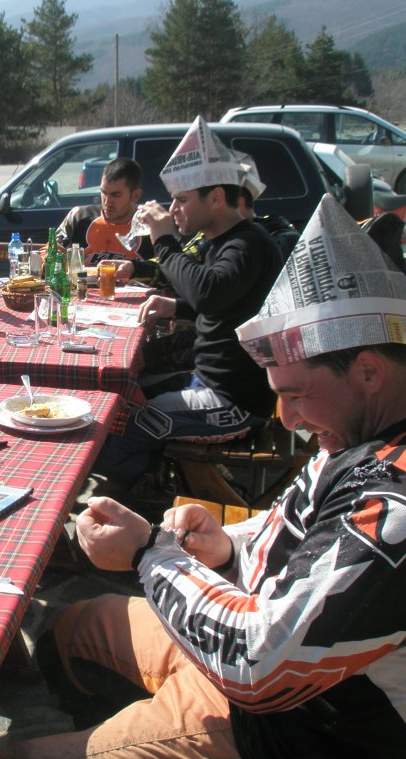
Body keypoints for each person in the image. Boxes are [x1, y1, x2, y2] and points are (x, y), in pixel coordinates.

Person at [5, 195, 406, 759]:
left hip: (292, 732)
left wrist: (148, 554)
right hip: (243, 650)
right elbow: (304, 534)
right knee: (67, 627)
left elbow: (256, 663)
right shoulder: (375, 429)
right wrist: (227, 546)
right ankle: (108, 728)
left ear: (368, 370)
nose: (286, 419)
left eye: (295, 393)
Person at [94, 117, 284, 484]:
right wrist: (176, 307)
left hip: (235, 401)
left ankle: (134, 494)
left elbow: (208, 293)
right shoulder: (224, 241)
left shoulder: (247, 244)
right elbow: (224, 302)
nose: (174, 209)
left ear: (216, 197)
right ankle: (149, 480)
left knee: (121, 427)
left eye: (182, 200)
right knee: (121, 398)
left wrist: (164, 241)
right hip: (209, 380)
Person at [57, 157, 155, 266]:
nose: (107, 202)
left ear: (135, 195)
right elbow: (49, 252)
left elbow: (167, 268)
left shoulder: (154, 226)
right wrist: (57, 258)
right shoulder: (78, 216)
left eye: (116, 195)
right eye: (103, 193)